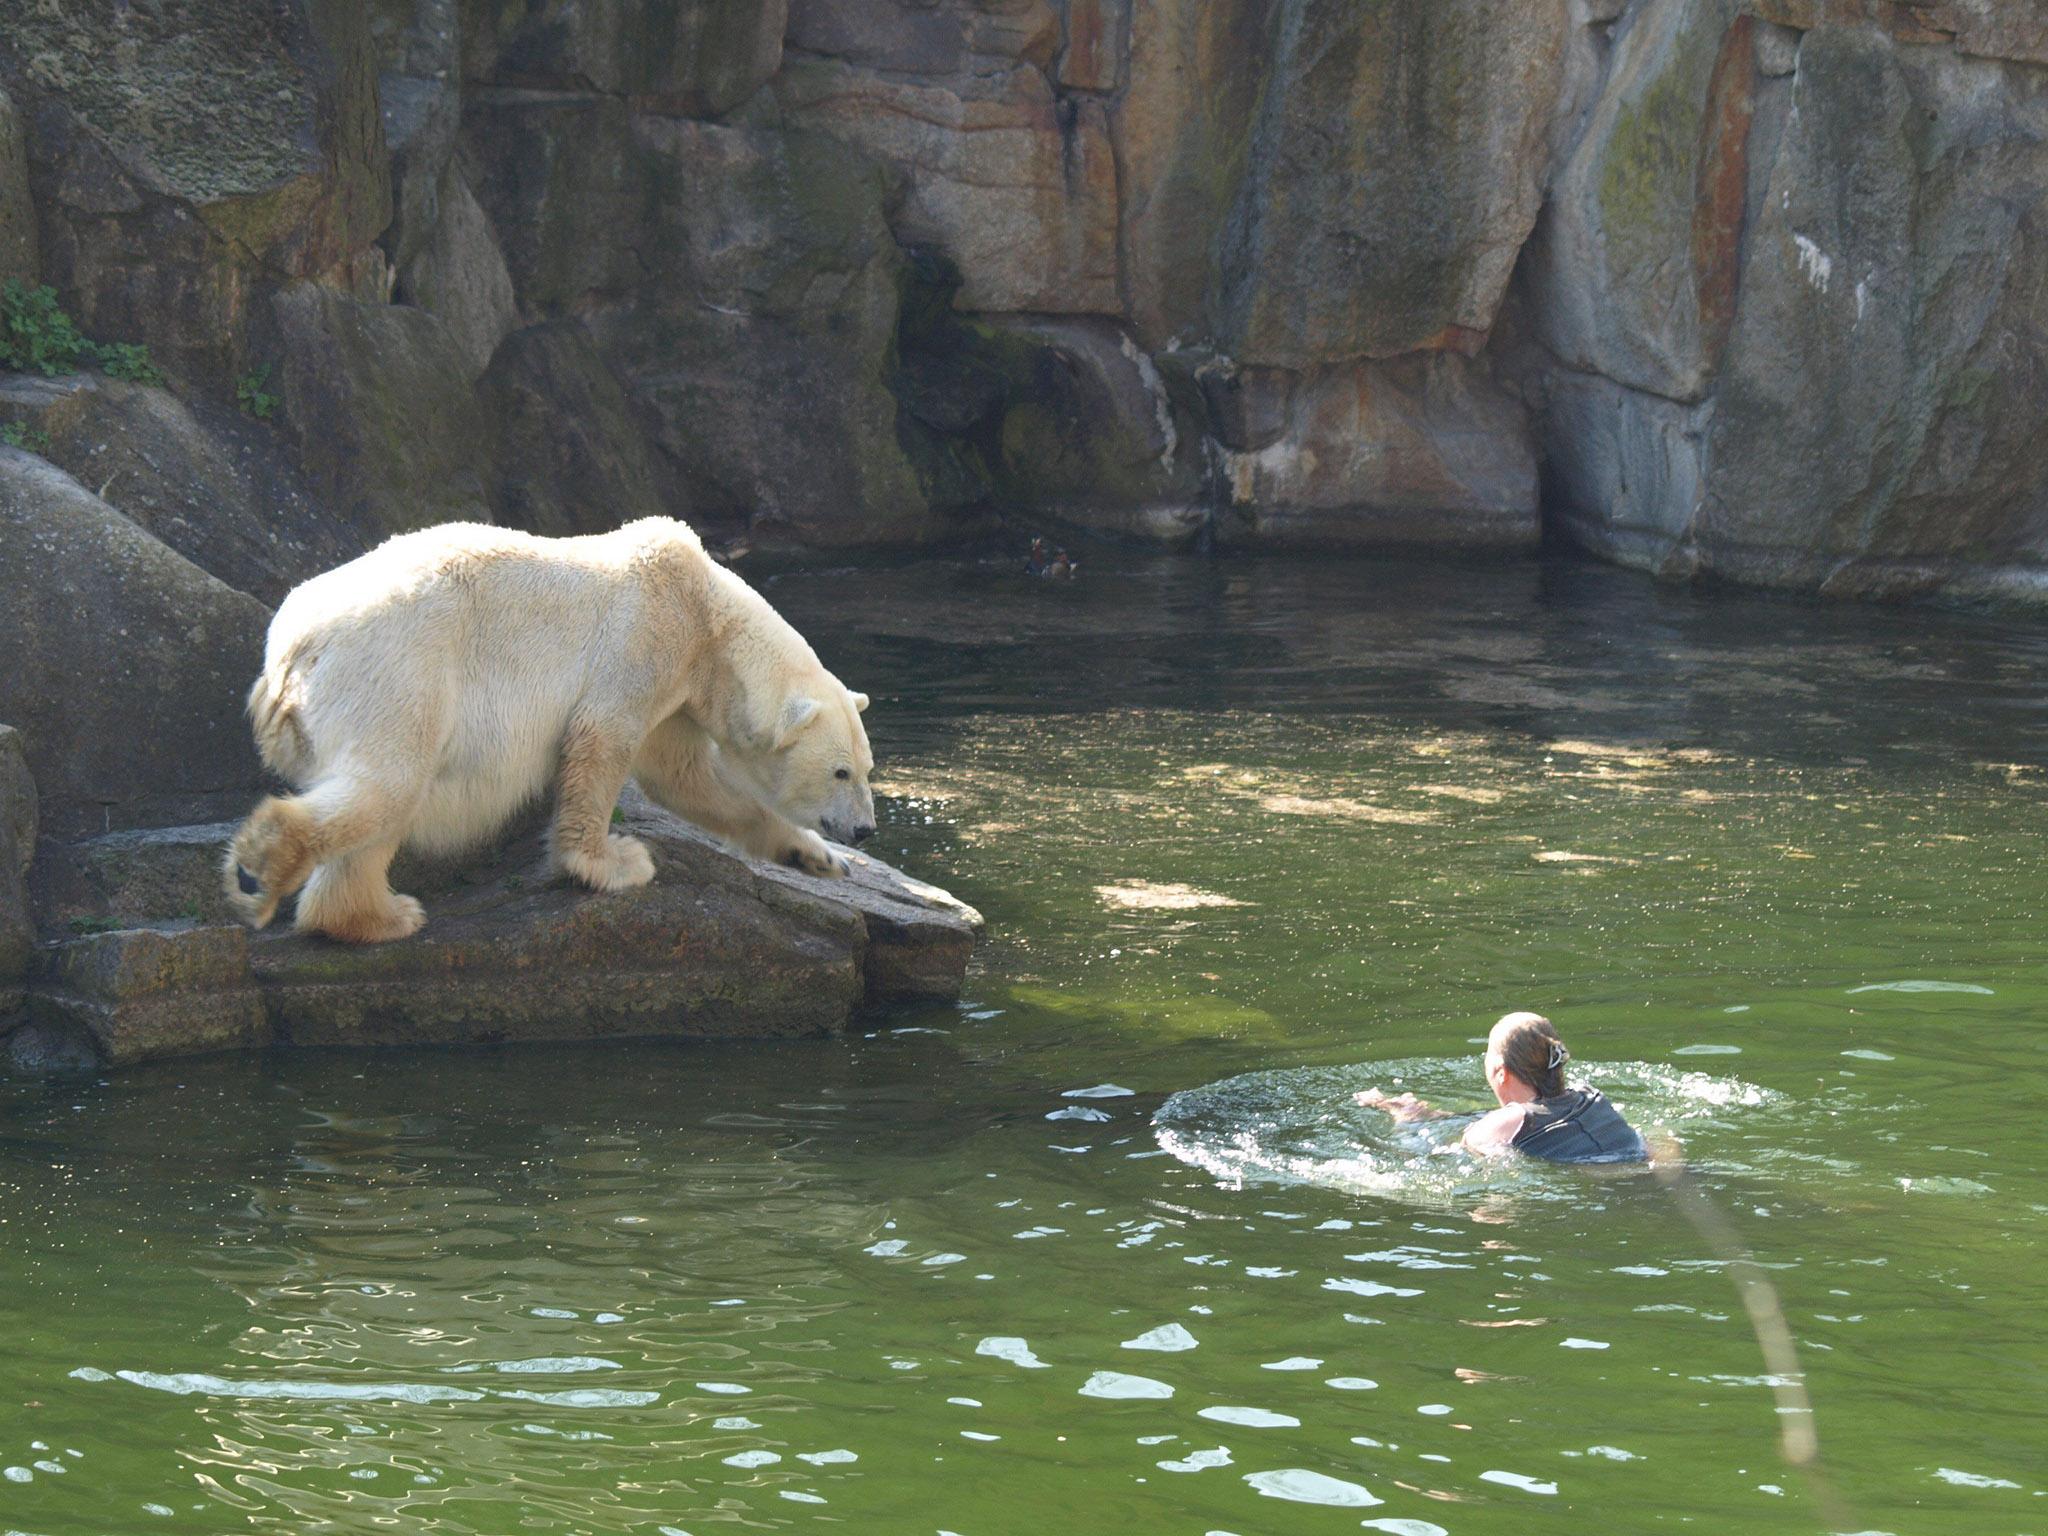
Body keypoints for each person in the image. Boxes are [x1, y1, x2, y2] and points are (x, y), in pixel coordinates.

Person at [1355, 1012, 1649, 1164]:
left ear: (1500, 1072)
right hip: (1638, 1170)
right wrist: (1428, 1116)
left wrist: (1405, 1123)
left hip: (1611, 1188)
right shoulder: (1588, 1096)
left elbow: (1430, 1155)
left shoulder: (1507, 1122)